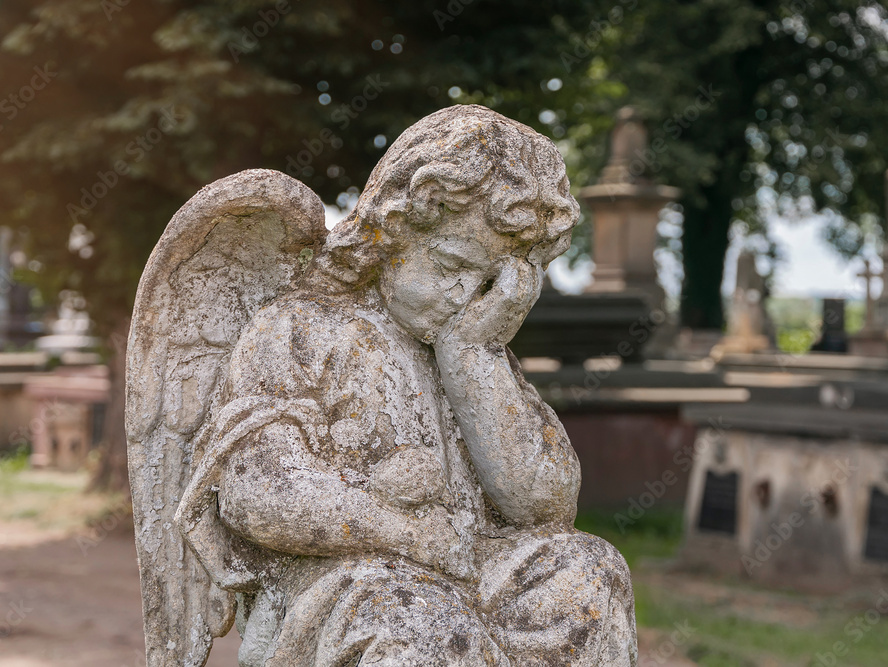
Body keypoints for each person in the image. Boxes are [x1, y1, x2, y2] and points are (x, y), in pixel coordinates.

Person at [180, 105, 637, 666]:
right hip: (352, 585)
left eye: (492, 283)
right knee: (424, 627)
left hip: (471, 565)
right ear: (394, 229)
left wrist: (474, 355)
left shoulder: (471, 346)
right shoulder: (301, 328)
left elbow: (545, 505)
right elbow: (259, 492)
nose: (467, 295)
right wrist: (402, 531)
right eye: (452, 265)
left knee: (589, 573)